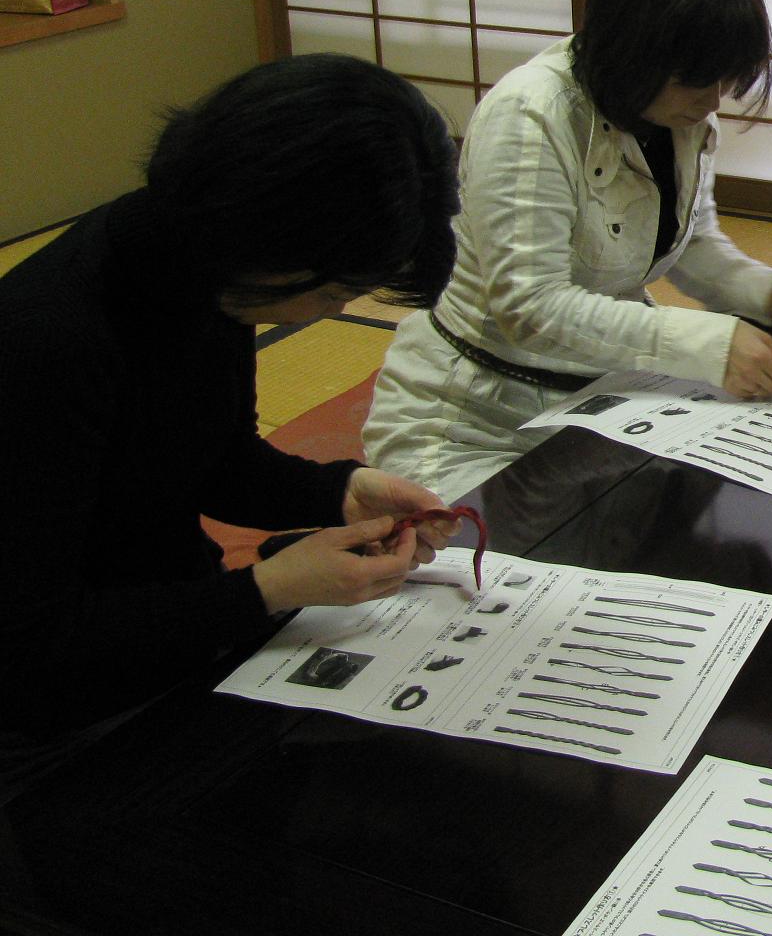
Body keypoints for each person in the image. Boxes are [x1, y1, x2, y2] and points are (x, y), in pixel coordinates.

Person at [0, 54, 463, 800]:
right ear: (272, 241)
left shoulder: (208, 271)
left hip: (171, 636)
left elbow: (210, 460)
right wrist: (267, 588)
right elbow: (30, 648)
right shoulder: (46, 342)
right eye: (341, 290)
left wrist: (341, 491)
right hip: (53, 721)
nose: (336, 310)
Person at [364, 0, 772, 502]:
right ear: (633, 52)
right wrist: (709, 343)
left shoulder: (680, 117)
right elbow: (528, 305)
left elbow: (692, 244)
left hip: (603, 397)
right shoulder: (531, 115)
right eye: (697, 80)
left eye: (725, 78)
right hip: (475, 409)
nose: (713, 100)